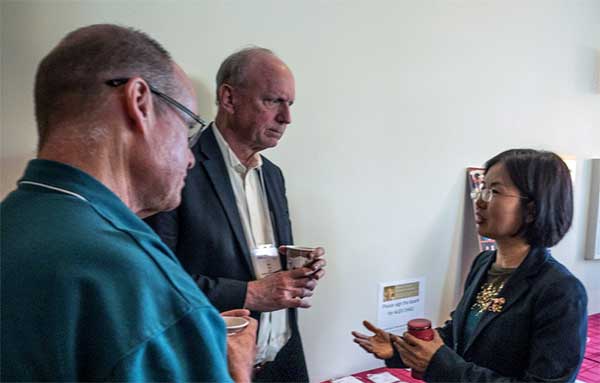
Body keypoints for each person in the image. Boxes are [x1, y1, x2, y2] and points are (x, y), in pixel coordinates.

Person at [0, 24, 257, 382]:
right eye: (185, 127)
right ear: (139, 102)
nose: (190, 157)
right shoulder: (139, 284)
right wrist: (238, 371)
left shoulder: (11, 222)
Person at [145, 47, 326, 382]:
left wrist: (298, 272)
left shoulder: (272, 174)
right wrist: (251, 294)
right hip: (214, 367)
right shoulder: (178, 170)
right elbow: (154, 284)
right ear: (228, 98)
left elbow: (260, 263)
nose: (287, 118)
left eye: (290, 104)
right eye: (273, 101)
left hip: (283, 360)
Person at [352, 149, 588, 382]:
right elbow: (458, 335)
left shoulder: (561, 290)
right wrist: (399, 350)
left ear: (532, 209)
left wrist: (441, 364)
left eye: (494, 191)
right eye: (482, 189)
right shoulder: (484, 262)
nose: (480, 201)